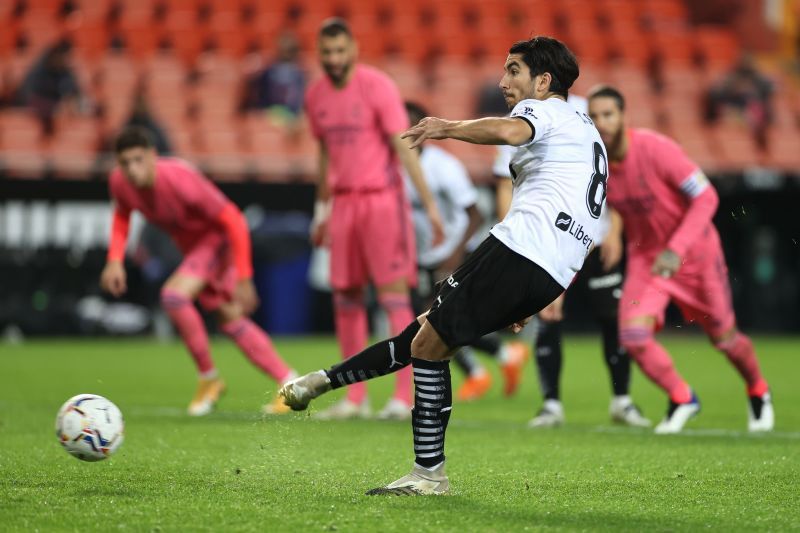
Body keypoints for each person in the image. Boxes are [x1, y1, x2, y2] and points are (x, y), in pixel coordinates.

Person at [281, 36, 606, 495]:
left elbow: (511, 132)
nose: (503, 81)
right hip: (551, 267)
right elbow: (587, 220)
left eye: (513, 70)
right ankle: (322, 382)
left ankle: (429, 474)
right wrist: (538, 290)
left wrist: (445, 127)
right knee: (423, 335)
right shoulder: (587, 129)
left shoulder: (546, 111)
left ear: (543, 80)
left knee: (429, 346)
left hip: (522, 250)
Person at [587, 85, 774, 434]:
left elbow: (706, 197)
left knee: (725, 339)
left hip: (697, 256)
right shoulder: (598, 164)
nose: (602, 123)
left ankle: (758, 389)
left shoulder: (657, 149)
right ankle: (682, 397)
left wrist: (677, 248)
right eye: (594, 117)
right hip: (648, 260)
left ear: (624, 116)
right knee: (633, 336)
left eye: (608, 114)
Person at [100, 127, 297, 416]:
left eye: (138, 160)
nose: (132, 169)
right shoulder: (119, 183)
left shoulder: (180, 180)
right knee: (229, 318)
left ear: (153, 156)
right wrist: (115, 259)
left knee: (174, 296)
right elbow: (122, 215)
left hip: (218, 241)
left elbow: (233, 219)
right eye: (125, 162)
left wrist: (244, 276)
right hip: (194, 250)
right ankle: (290, 384)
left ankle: (209, 379)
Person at [304, 19, 444, 421]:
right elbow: (324, 155)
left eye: (339, 51)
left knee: (394, 297)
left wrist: (429, 204)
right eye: (326, 53)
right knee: (345, 298)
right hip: (343, 204)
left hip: (382, 202)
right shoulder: (316, 96)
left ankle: (404, 395)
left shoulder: (377, 85)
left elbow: (403, 147)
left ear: (354, 49)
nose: (333, 59)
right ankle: (354, 398)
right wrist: (321, 210)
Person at [493, 97, 650, 428]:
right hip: (553, 242)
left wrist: (615, 232)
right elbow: (504, 187)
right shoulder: (519, 121)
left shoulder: (582, 116)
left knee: (612, 318)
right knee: (549, 316)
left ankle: (622, 400)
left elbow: (614, 187)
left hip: (596, 241)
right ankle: (551, 405)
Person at [403, 101, 529, 404]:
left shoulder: (443, 167)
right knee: (435, 319)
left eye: (411, 124)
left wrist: (454, 255)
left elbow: (473, 213)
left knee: (435, 318)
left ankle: (478, 371)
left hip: (456, 251)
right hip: (424, 254)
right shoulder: (397, 166)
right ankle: (502, 355)